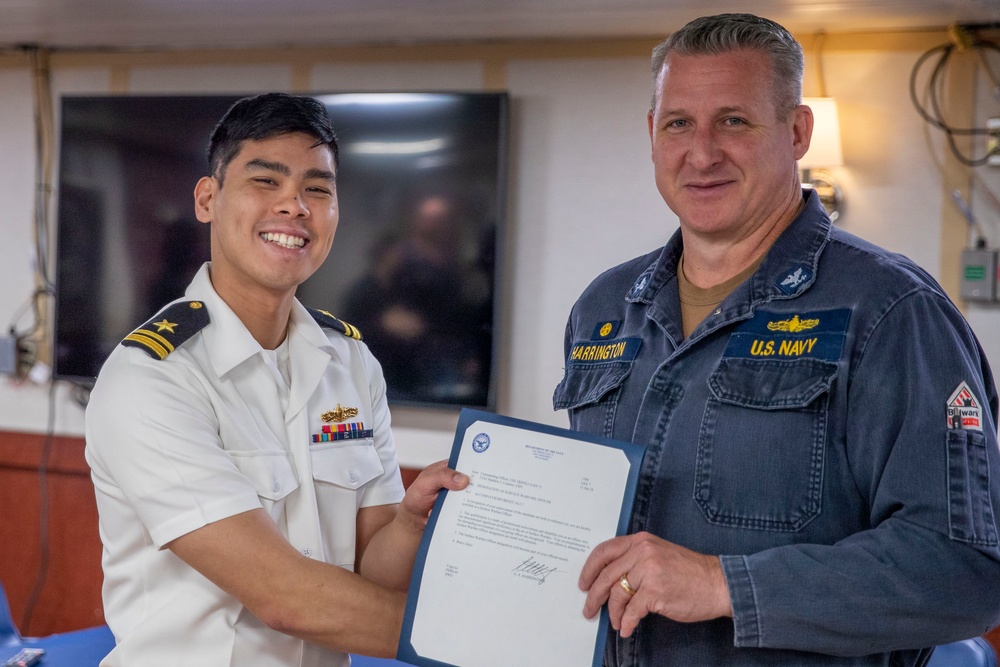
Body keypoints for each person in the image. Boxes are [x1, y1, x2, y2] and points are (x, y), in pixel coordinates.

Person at [554, 13, 1000, 666]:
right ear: (653, 133)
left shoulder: (893, 312)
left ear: (796, 133)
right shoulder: (603, 307)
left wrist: (720, 583)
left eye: (733, 121)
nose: (701, 152)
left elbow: (966, 566)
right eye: (679, 123)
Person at [84, 92, 468, 666]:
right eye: (266, 181)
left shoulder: (352, 364)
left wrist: (410, 522)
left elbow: (375, 573)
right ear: (208, 199)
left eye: (318, 188)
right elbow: (284, 597)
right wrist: (487, 638)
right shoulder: (152, 377)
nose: (294, 206)